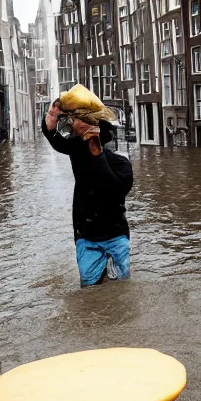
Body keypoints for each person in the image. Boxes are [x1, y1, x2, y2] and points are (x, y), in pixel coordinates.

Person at [42, 101, 134, 287]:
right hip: (86, 235)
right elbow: (55, 138)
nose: (74, 124)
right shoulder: (78, 152)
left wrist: (94, 147)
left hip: (115, 235)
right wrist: (52, 116)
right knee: (90, 290)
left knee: (121, 288)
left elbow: (114, 188)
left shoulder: (121, 164)